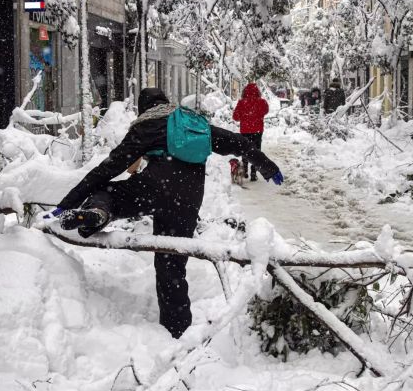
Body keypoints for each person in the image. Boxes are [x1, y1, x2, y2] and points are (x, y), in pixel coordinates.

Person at [53, 88, 283, 338]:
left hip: (154, 188)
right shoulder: (193, 122)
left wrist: (68, 201)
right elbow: (238, 143)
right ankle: (177, 333)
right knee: (171, 264)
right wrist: (267, 167)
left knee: (108, 190)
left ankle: (99, 211)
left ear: (144, 107)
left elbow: (107, 168)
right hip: (189, 198)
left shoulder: (146, 126)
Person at [232, 82, 270, 180]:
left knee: (245, 150)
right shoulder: (262, 102)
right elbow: (266, 111)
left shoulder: (241, 102)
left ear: (245, 91)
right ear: (257, 91)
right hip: (257, 131)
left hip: (245, 131)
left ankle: (245, 170)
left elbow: (235, 117)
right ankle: (254, 173)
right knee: (256, 151)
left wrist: (244, 116)